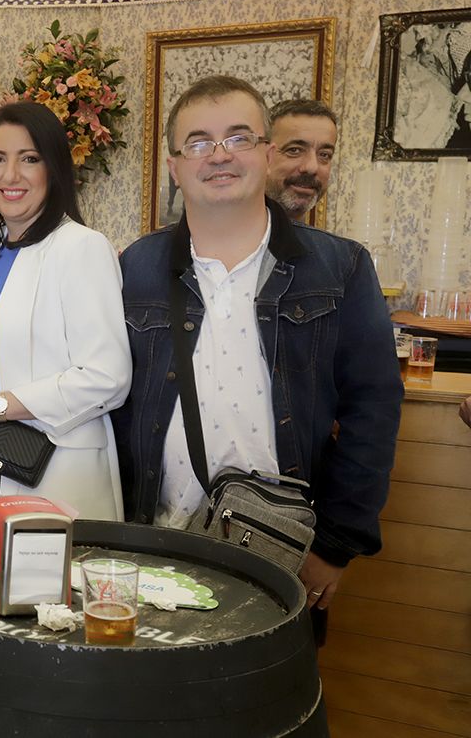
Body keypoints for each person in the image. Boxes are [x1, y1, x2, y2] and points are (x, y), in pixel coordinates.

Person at [112, 75, 402, 621]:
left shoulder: (340, 267)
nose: (218, 155)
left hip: (281, 549)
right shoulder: (135, 268)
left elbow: (374, 410)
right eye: (198, 142)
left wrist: (334, 546)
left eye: (238, 137)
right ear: (175, 166)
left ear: (266, 154)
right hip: (149, 544)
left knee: (262, 700)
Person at [0, 101, 131, 518]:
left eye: (29, 159)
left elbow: (108, 377)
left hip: (51, 467)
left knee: (39, 582)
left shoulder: (81, 247)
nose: (10, 175)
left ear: (52, 169)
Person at [265, 99, 338, 221]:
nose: (312, 167)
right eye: (294, 150)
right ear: (264, 155)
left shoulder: (324, 241)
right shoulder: (225, 235)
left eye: (324, 155)